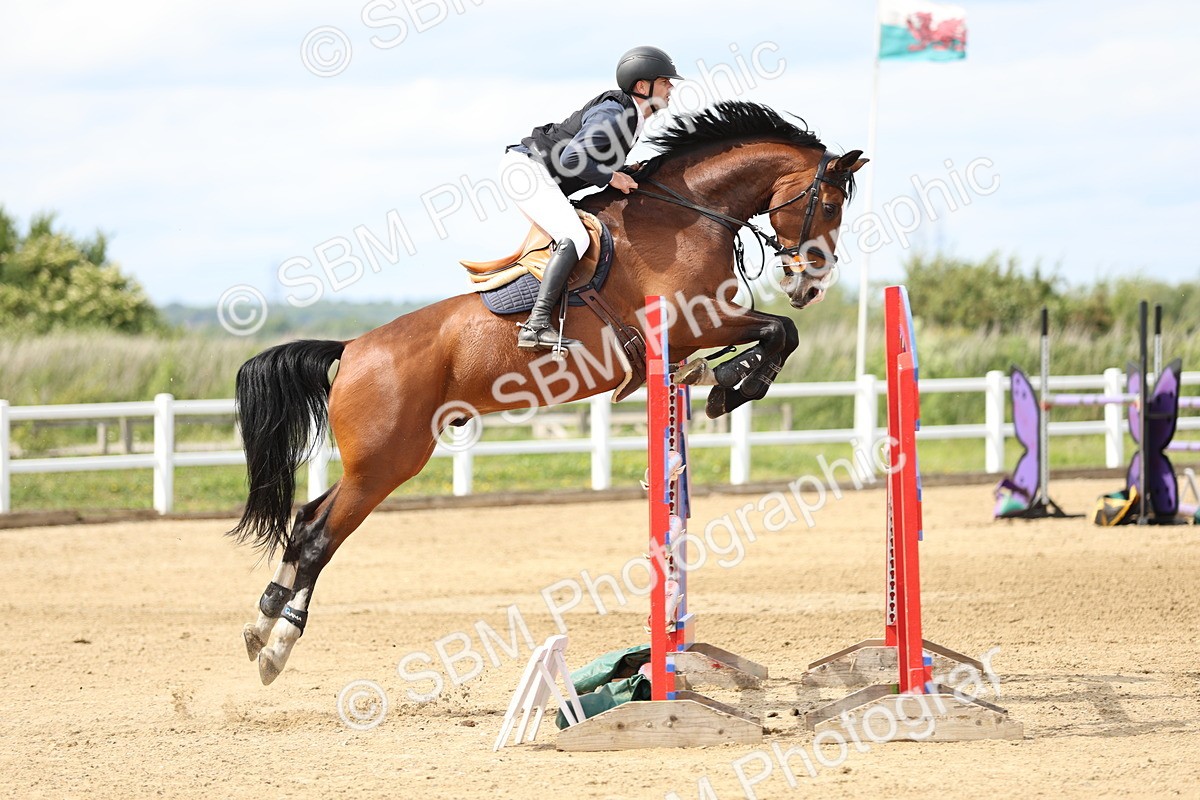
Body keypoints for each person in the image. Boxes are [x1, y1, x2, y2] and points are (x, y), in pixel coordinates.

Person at [501, 45, 682, 351]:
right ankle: (536, 324)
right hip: (527, 171)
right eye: (666, 81)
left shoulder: (630, 118)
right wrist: (612, 177)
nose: (672, 88)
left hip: (536, 171)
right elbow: (572, 159)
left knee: (575, 236)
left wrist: (623, 171)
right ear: (643, 86)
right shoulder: (616, 113)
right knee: (575, 235)